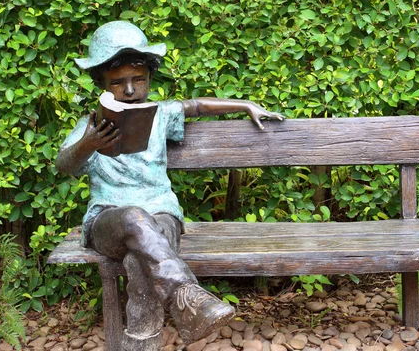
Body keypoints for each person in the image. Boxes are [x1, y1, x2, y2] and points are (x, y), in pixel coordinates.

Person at [55, 21, 284, 350]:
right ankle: (190, 297)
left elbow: (197, 105)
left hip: (161, 215)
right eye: (118, 83)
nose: (131, 91)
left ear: (149, 79)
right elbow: (64, 164)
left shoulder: (160, 115)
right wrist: (88, 143)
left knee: (138, 261)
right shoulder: (89, 126)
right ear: (101, 84)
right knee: (134, 217)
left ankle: (141, 344)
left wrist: (245, 104)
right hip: (109, 221)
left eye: (139, 80)